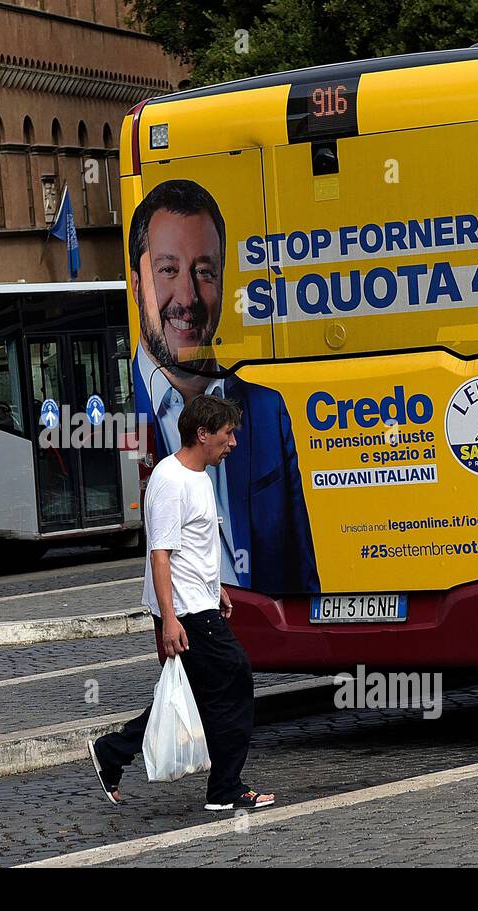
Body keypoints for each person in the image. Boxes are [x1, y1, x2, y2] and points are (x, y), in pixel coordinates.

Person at [129, 178, 319, 595]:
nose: (188, 296)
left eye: (204, 272)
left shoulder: (267, 413)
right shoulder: (121, 411)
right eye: (167, 270)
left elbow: (304, 567)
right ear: (136, 283)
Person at [88, 394, 275, 812]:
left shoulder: (201, 478)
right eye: (227, 435)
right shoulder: (171, 481)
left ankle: (113, 751)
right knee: (237, 679)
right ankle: (226, 788)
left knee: (195, 691)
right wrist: (171, 619)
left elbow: (194, 549)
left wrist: (217, 587)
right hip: (188, 612)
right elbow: (161, 553)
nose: (233, 444)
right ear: (202, 434)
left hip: (198, 601)